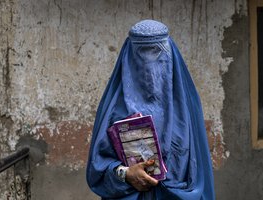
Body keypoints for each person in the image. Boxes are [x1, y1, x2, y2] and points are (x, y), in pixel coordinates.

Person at [86, 19, 215, 200]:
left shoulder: (187, 107)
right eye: (141, 54)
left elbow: (198, 169)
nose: (148, 65)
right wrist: (126, 173)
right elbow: (97, 167)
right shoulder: (114, 105)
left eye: (156, 52)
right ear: (128, 57)